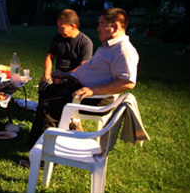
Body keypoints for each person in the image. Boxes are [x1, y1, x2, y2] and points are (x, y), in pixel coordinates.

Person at [28, 8, 139, 148]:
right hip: (77, 86)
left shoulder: (123, 50)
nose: (98, 28)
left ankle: (43, 157)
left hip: (93, 97)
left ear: (115, 27)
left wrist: (92, 90)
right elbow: (88, 70)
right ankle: (38, 142)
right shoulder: (108, 47)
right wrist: (65, 75)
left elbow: (127, 82)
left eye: (101, 23)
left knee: (48, 108)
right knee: (47, 91)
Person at [39, 9, 93, 90]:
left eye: (62, 28)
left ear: (73, 26)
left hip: (74, 78)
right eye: (58, 27)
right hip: (57, 76)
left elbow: (83, 66)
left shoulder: (85, 42)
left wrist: (65, 75)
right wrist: (47, 74)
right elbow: (49, 57)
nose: (59, 30)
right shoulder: (57, 38)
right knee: (43, 87)